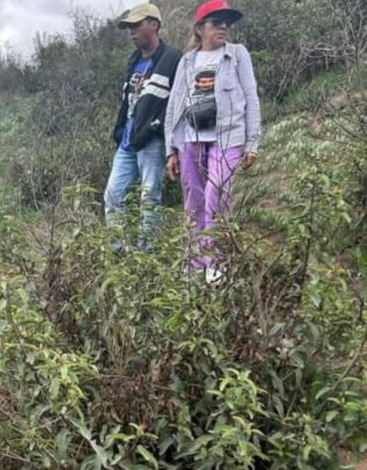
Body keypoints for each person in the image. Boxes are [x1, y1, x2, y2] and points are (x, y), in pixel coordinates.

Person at [164, 0, 260, 282]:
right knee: (193, 200)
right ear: (200, 28)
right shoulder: (187, 61)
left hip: (228, 136)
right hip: (191, 139)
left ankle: (216, 263)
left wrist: (252, 142)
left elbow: (251, 97)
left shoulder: (237, 55)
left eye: (226, 23)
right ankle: (194, 265)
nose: (223, 27)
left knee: (215, 194)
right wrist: (171, 149)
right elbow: (174, 105)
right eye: (215, 22)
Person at [105, 3, 183, 253]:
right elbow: (126, 103)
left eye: (137, 25)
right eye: (129, 27)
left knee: (150, 199)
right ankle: (119, 253)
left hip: (152, 141)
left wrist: (168, 139)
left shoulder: (172, 58)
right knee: (112, 196)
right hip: (127, 142)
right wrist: (119, 132)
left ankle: (146, 255)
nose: (132, 32)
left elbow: (178, 102)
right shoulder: (133, 61)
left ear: (154, 25)